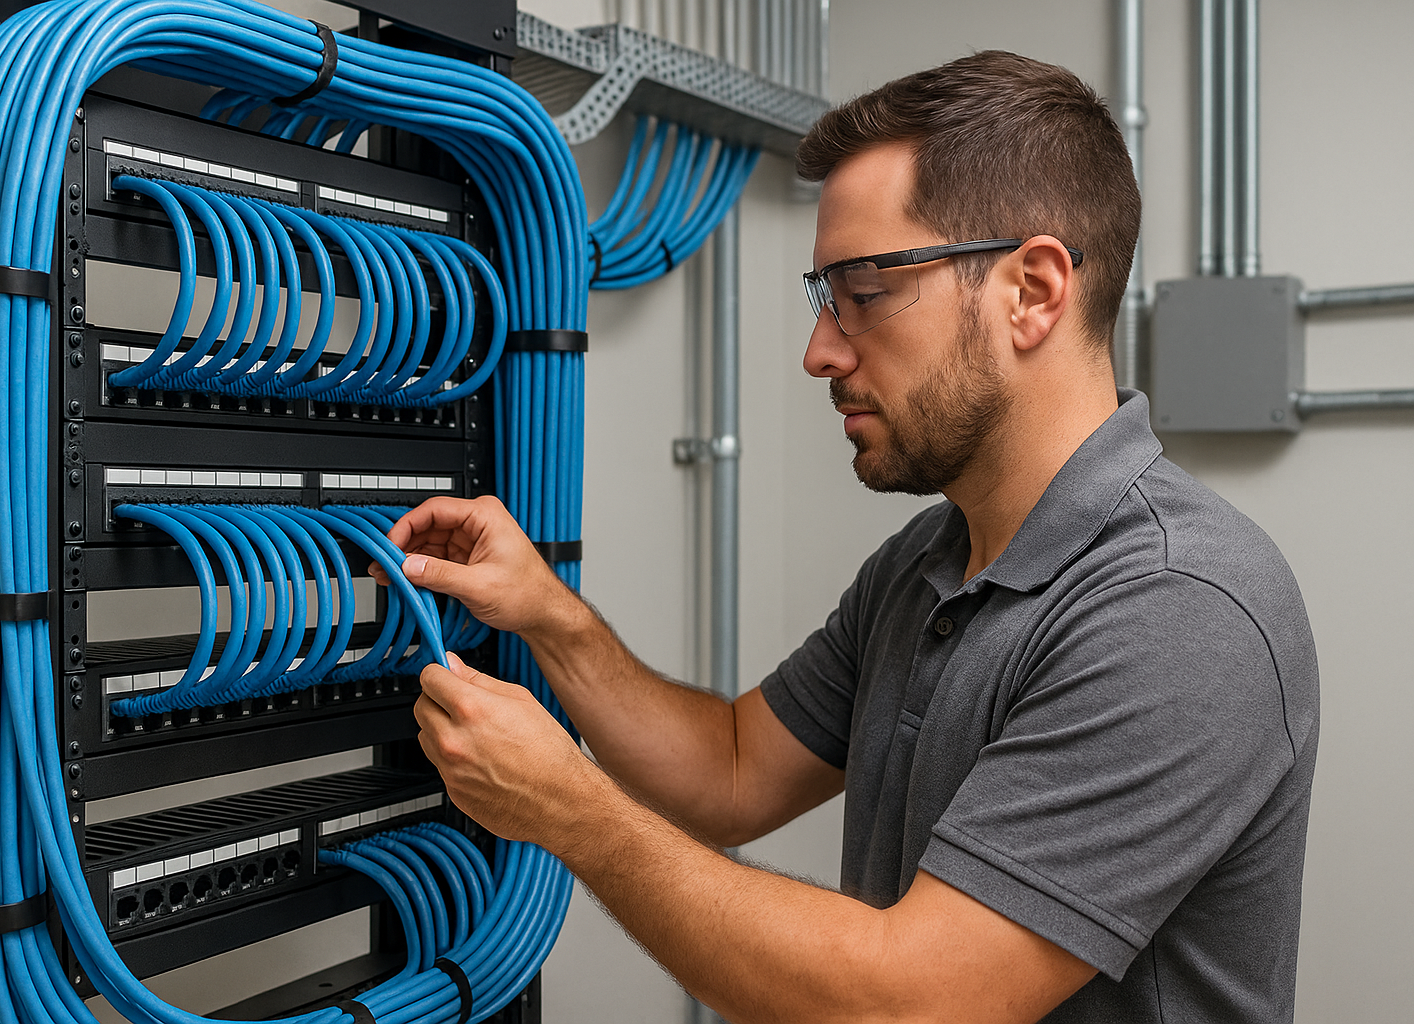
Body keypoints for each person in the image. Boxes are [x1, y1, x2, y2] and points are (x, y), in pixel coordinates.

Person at [374, 51, 1319, 1024]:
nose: (820, 348)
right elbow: (732, 769)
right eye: (824, 294)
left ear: (1032, 292)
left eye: (864, 291)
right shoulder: (924, 563)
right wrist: (549, 614)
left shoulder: (1178, 603)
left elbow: (905, 1004)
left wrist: (571, 810)